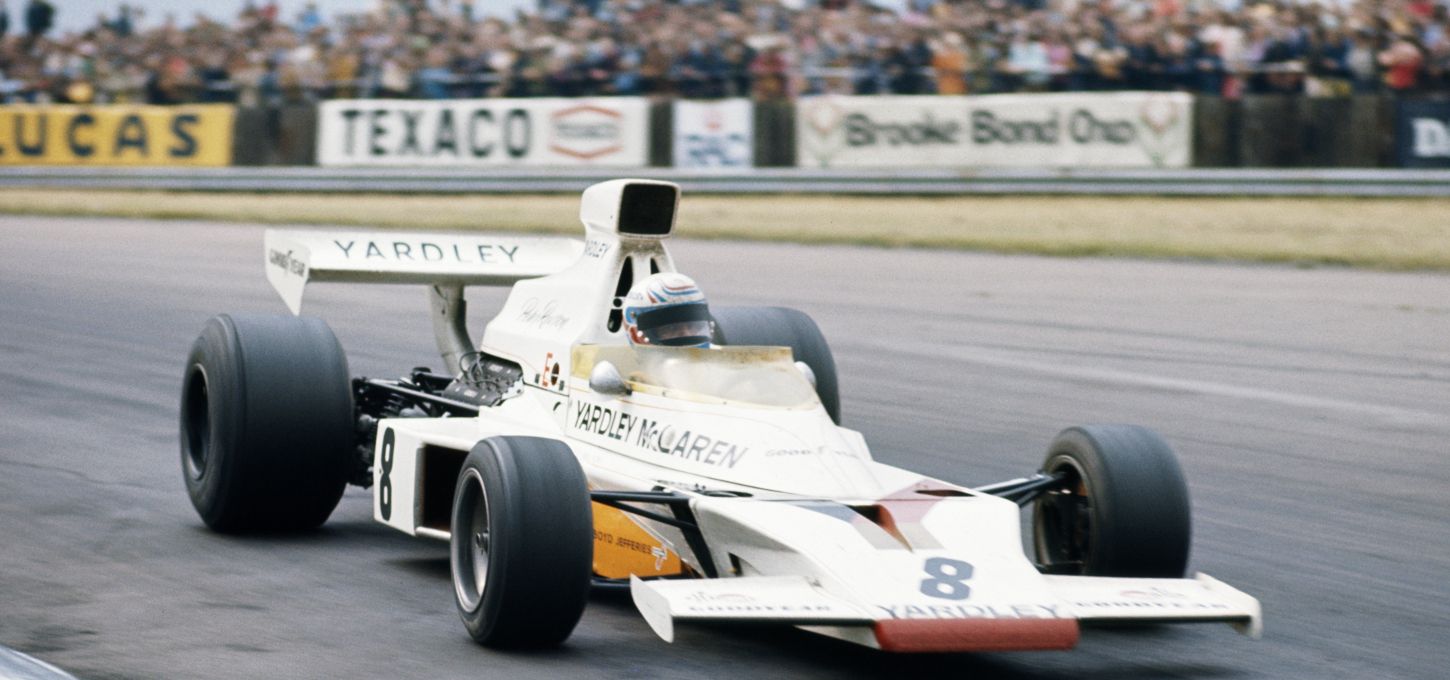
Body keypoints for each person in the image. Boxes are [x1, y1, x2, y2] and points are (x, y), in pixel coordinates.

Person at [622, 273, 713, 348]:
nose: (687, 334)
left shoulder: (721, 364)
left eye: (694, 327)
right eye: (672, 328)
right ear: (636, 336)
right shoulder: (611, 370)